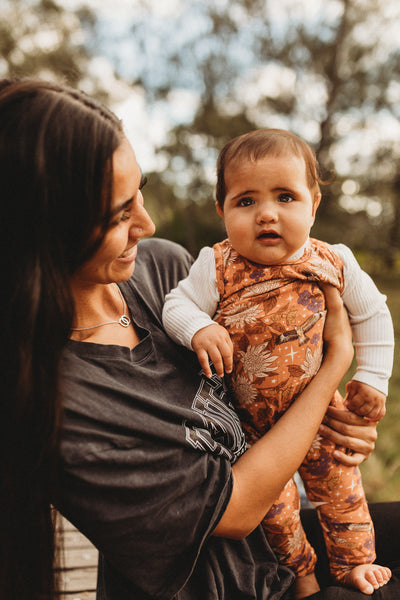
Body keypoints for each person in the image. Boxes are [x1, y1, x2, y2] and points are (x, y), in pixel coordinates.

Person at [0, 79, 398, 600]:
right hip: (238, 584)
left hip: (294, 519)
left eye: (138, 191)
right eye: (118, 215)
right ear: (44, 234)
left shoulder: (159, 270)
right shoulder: (58, 400)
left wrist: (341, 424)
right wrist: (333, 368)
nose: (147, 222)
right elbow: (235, 510)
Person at [162, 129, 395, 598]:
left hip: (320, 415)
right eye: (245, 201)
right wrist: (198, 328)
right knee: (276, 509)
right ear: (222, 212)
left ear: (313, 205)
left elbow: (373, 316)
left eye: (285, 197)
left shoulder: (334, 260)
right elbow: (175, 305)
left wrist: (372, 377)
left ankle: (354, 564)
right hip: (247, 429)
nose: (266, 213)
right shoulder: (217, 264)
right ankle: (302, 574)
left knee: (341, 490)